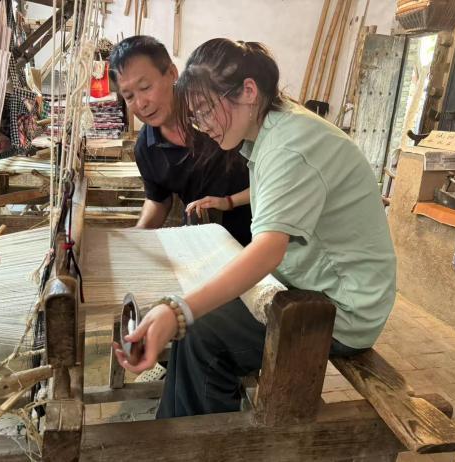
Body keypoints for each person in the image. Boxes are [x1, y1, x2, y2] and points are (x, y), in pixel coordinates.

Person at [113, 38, 397, 418]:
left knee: (203, 335)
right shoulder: (274, 130)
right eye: (196, 115)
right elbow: (279, 196)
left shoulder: (289, 143)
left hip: (344, 309)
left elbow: (268, 250)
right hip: (312, 284)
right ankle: (175, 427)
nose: (203, 126)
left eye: (206, 110)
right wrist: (181, 307)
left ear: (248, 91)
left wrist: (178, 309)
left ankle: (206, 441)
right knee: (195, 319)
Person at [108, 36, 252, 246]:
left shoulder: (217, 110)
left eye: (146, 87)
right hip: (209, 243)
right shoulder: (146, 148)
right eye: (129, 96)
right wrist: (139, 235)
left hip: (263, 229)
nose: (140, 104)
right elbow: (158, 199)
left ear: (172, 73)